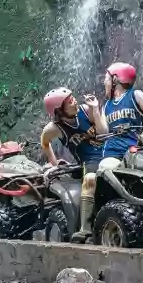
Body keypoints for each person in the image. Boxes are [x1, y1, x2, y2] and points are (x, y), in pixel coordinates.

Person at [39, 86, 108, 242]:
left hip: (109, 151)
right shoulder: (54, 128)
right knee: (89, 178)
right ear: (59, 111)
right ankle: (85, 230)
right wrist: (54, 163)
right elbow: (44, 143)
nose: (75, 101)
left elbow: (103, 132)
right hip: (90, 160)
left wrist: (95, 109)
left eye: (73, 98)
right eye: (70, 101)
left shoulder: (85, 110)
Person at [98, 62, 143, 165]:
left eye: (106, 78)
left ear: (115, 80)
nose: (104, 82)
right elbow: (102, 132)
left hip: (137, 151)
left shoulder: (135, 95)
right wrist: (95, 109)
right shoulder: (106, 107)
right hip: (113, 153)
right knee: (107, 167)